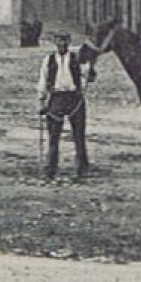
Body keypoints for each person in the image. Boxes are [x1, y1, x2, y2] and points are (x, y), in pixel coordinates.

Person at [38, 30, 92, 180]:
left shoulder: (76, 59)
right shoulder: (48, 60)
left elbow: (88, 74)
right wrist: (42, 101)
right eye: (59, 40)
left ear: (69, 42)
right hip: (56, 98)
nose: (62, 43)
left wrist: (90, 70)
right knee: (53, 136)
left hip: (75, 98)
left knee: (79, 135)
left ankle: (82, 169)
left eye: (65, 40)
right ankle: (51, 169)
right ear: (55, 42)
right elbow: (43, 80)